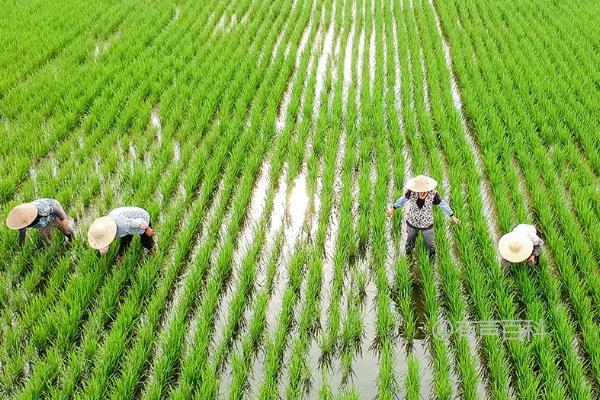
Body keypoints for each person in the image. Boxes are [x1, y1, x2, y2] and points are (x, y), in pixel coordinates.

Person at [387, 175, 460, 259]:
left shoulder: (433, 194)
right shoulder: (411, 192)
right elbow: (402, 200)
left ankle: (431, 258)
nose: (422, 191)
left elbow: (443, 204)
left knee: (430, 243)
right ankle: (408, 257)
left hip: (427, 223)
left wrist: (451, 215)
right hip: (412, 221)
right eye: (419, 189)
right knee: (410, 241)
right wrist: (393, 208)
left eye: (423, 189)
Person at [87, 206, 155, 262]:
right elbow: (103, 241)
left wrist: (147, 228)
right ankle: (121, 256)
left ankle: (152, 250)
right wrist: (102, 248)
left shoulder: (122, 225)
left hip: (141, 219)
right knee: (125, 240)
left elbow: (139, 222)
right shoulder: (105, 226)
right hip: (127, 221)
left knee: (145, 241)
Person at [6, 198, 74, 246]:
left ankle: (72, 239)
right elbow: (22, 235)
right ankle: (56, 246)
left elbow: (56, 210)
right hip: (44, 223)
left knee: (66, 229)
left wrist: (64, 221)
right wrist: (21, 247)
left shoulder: (40, 209)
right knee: (44, 236)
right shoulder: (22, 223)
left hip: (54, 214)